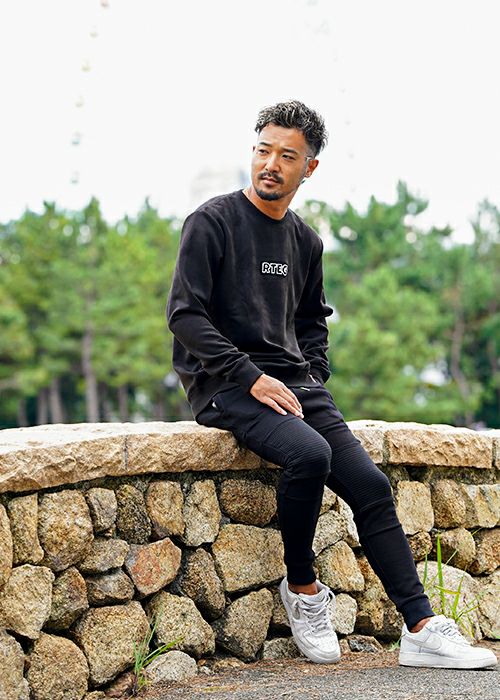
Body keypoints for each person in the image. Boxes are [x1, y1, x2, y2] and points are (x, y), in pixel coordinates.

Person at [166, 100, 497, 669]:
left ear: (309, 168)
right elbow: (185, 315)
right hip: (225, 383)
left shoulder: (305, 240)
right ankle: (302, 588)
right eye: (263, 150)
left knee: (370, 485)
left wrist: (313, 373)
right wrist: (250, 376)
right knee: (310, 456)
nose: (271, 164)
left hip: (294, 384)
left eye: (286, 156)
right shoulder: (212, 222)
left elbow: (312, 320)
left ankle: (420, 629)